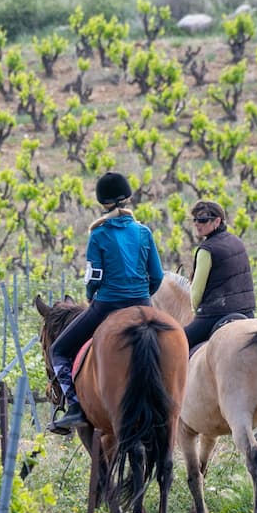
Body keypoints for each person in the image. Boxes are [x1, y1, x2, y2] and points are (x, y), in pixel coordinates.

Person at [47, 172, 165, 434]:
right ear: (129, 198)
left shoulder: (98, 235)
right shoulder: (144, 232)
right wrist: (143, 296)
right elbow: (157, 275)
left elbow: (95, 276)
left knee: (58, 350)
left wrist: (91, 296)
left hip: (108, 304)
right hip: (143, 304)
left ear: (102, 203)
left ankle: (74, 406)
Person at [184, 200, 256, 349]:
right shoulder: (237, 241)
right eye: (195, 220)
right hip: (247, 312)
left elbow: (196, 293)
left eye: (203, 220)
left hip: (215, 314)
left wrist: (196, 311)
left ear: (217, 221)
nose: (197, 224)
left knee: (176, 344)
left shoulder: (206, 250)